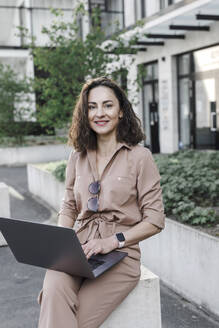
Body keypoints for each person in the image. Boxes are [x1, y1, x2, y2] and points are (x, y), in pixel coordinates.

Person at [37, 76, 165, 328]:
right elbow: (70, 206)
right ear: (85, 114)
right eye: (92, 107)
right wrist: (61, 241)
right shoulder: (77, 156)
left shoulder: (140, 157)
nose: (100, 113)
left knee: (72, 321)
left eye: (107, 105)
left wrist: (111, 242)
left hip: (120, 255)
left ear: (121, 111)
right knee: (53, 291)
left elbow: (155, 220)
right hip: (77, 249)